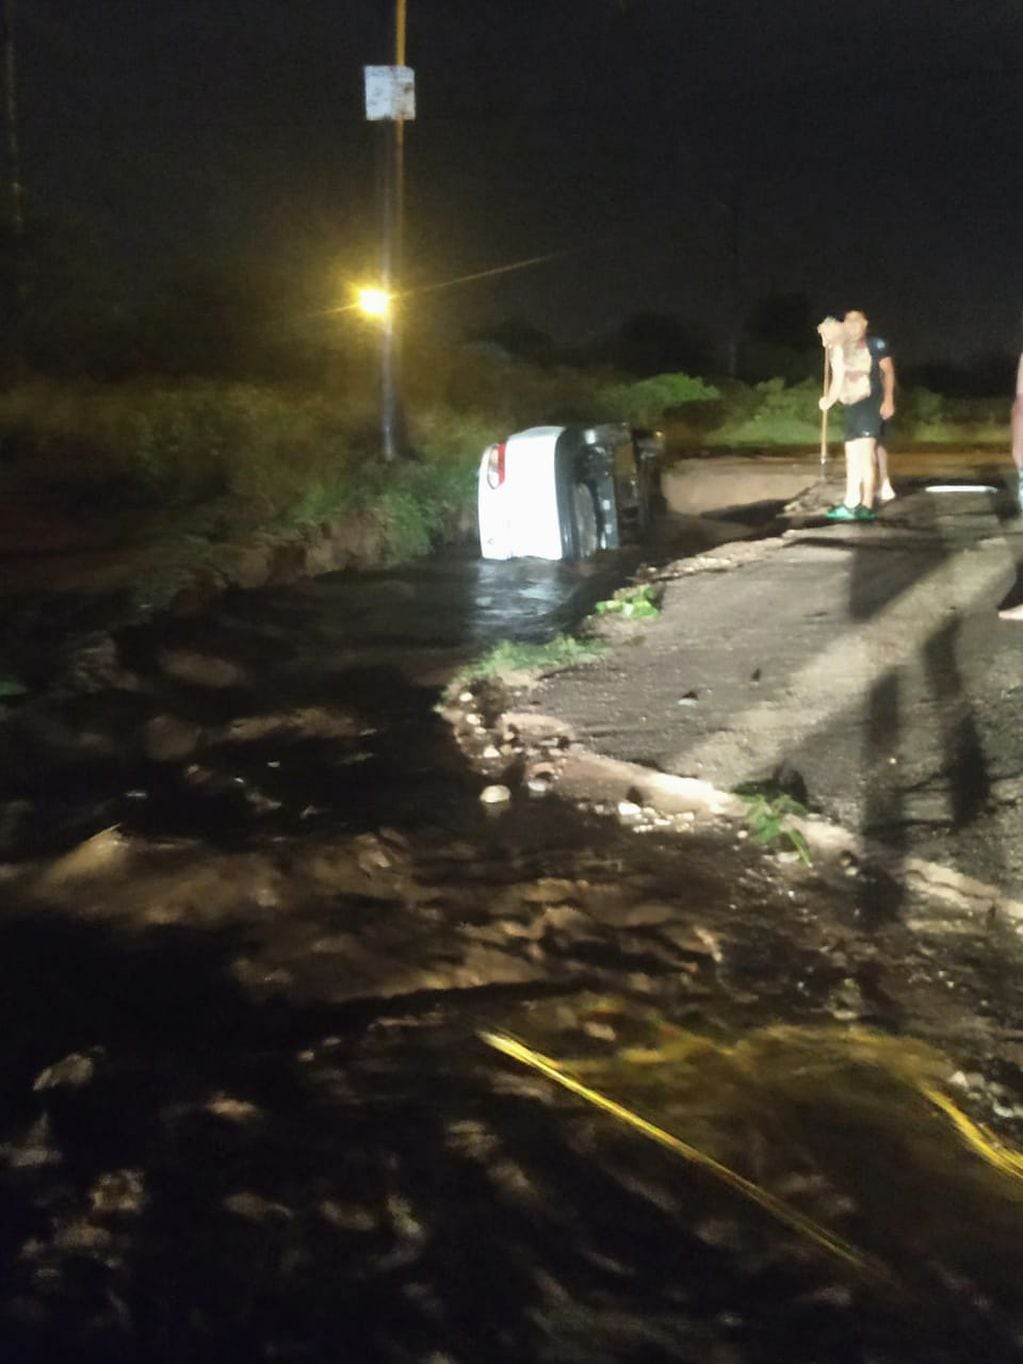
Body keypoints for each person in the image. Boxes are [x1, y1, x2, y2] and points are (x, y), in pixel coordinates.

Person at [817, 310, 896, 521]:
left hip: (870, 404)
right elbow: (838, 379)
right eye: (847, 319)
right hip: (851, 406)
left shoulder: (874, 344)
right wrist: (829, 400)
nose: (851, 323)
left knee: (865, 456)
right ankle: (851, 502)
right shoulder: (841, 348)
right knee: (851, 456)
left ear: (864, 323)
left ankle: (867, 505)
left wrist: (888, 399)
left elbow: (888, 371)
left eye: (856, 319)